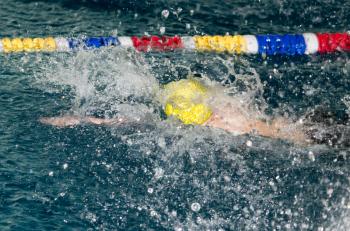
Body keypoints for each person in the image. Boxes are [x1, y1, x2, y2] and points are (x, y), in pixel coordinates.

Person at [40, 78, 348, 146]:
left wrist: (83, 119)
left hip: (189, 95)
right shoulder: (246, 125)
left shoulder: (248, 117)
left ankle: (80, 119)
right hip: (192, 105)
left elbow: (133, 120)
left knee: (146, 120)